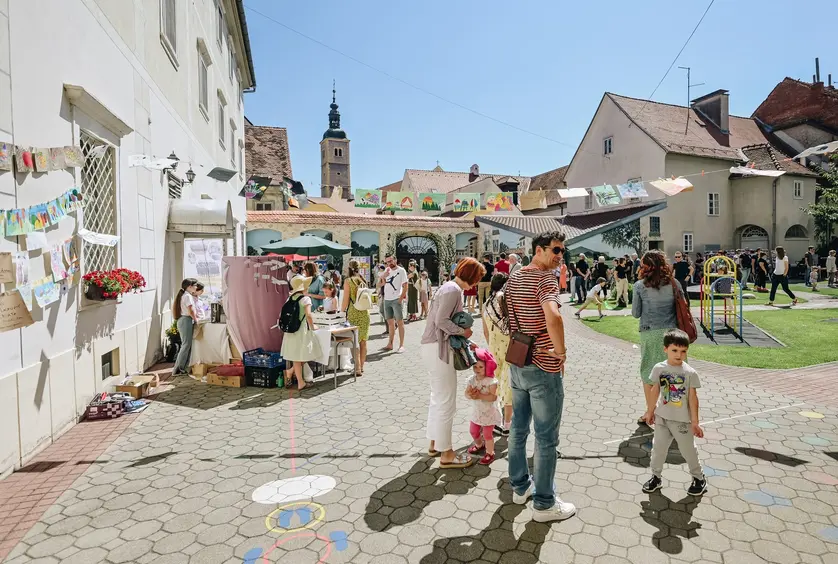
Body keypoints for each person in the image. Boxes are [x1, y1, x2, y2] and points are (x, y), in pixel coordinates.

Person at [506, 231, 576, 522]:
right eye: (556, 250)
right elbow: (554, 317)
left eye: (562, 251)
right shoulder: (545, 279)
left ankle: (520, 486)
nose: (560, 256)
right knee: (546, 438)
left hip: (517, 360)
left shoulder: (515, 276)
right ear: (539, 250)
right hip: (543, 366)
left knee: (518, 429)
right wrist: (561, 352)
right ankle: (544, 504)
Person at [422, 257, 485, 468]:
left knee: (438, 398)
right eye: (477, 278)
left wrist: (465, 339)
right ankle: (447, 454)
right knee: (446, 402)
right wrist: (462, 331)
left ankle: (435, 443)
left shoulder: (447, 287)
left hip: (433, 347)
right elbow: (441, 321)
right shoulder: (453, 290)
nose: (477, 283)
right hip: (440, 349)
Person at [642, 329, 707, 496]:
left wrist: (695, 422)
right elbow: (655, 390)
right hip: (662, 418)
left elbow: (693, 398)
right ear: (665, 349)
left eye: (683, 351)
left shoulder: (690, 373)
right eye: (675, 350)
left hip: (682, 421)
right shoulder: (659, 368)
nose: (679, 355)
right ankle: (656, 477)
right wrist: (650, 411)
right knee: (658, 449)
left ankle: (699, 478)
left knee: (688, 451)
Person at [632, 250, 678, 426]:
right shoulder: (674, 283)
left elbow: (636, 313)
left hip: (650, 333)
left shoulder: (640, 286)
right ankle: (672, 413)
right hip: (672, 334)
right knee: (672, 373)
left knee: (649, 374)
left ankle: (650, 412)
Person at [482, 273, 512, 436]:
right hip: (508, 346)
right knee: (508, 384)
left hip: (493, 347)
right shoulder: (503, 298)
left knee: (496, 383)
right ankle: (507, 424)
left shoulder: (486, 303)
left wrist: (492, 344)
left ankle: (495, 420)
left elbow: (485, 331)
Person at [281, 275, 321, 392]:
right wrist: (313, 327)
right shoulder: (305, 299)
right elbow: (309, 315)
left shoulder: (289, 299)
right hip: (301, 331)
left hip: (290, 331)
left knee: (296, 357)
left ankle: (298, 379)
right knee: (305, 354)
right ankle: (299, 381)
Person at [465, 348, 501, 465]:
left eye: (481, 367)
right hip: (477, 412)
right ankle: (479, 444)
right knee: (473, 431)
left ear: (488, 367)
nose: (477, 369)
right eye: (475, 367)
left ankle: (490, 452)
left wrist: (479, 395)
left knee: (487, 434)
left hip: (489, 412)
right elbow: (466, 394)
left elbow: (493, 397)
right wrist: (470, 394)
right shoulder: (472, 380)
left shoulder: (491, 381)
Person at [341, 259, 370, 375]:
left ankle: (357, 367)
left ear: (349, 268)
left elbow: (345, 299)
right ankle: (361, 367)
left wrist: (341, 312)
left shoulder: (348, 281)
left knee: (354, 341)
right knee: (363, 341)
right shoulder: (363, 280)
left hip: (353, 312)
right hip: (364, 312)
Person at [173, 278, 199, 375]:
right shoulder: (187, 296)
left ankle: (182, 367)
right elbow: (190, 310)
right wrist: (196, 319)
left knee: (186, 344)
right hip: (185, 320)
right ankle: (178, 369)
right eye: (195, 285)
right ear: (190, 286)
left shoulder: (185, 295)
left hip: (184, 320)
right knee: (186, 345)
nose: (196, 287)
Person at [382, 255, 408, 352]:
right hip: (387, 299)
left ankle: (401, 345)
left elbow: (405, 286)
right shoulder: (387, 270)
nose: (389, 263)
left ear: (395, 260)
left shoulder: (401, 271)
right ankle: (390, 344)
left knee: (400, 322)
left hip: (396, 299)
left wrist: (400, 299)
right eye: (387, 262)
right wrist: (383, 276)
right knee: (390, 323)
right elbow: (382, 284)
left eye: (391, 261)